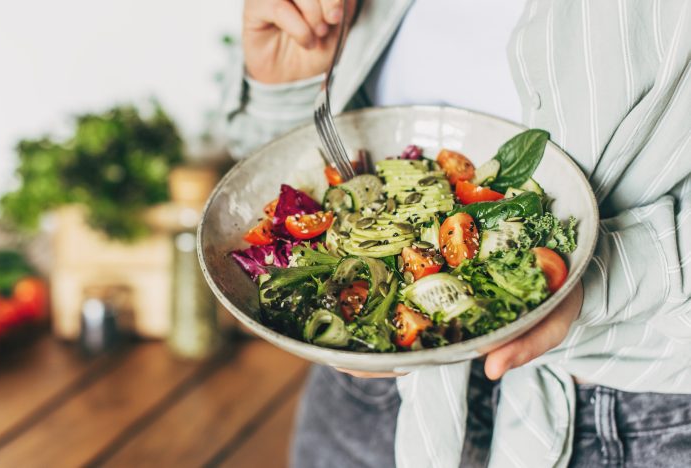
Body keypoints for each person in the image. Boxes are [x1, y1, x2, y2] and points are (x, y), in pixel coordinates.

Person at [222, 0, 691, 467]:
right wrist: (287, 86)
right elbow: (282, 176)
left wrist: (608, 270)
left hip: (628, 415)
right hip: (369, 390)